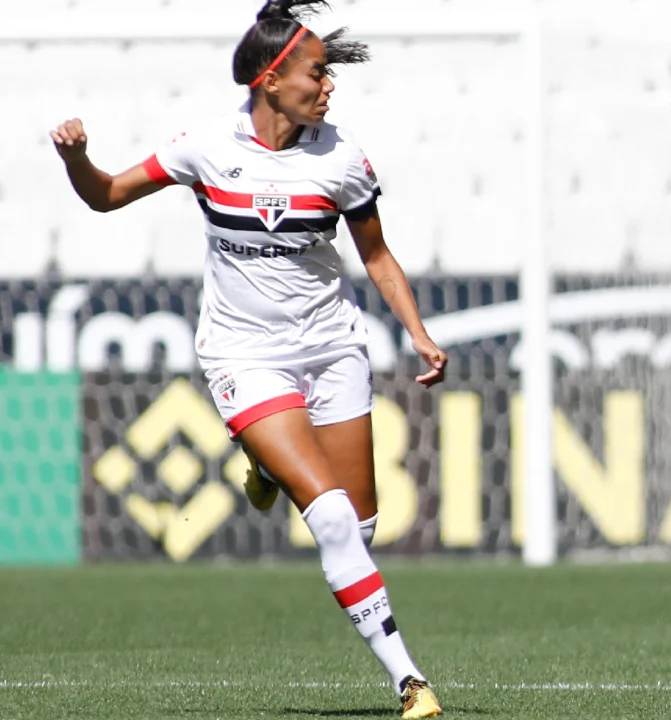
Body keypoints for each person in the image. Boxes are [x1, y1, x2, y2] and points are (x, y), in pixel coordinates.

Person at [50, 1, 445, 717]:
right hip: (244, 354)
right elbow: (106, 197)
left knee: (358, 529)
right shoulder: (205, 146)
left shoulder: (343, 157)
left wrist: (416, 332)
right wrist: (78, 159)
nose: (329, 86)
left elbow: (377, 256)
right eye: (316, 73)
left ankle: (264, 464)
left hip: (332, 349)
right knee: (326, 519)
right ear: (269, 78)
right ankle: (409, 681)